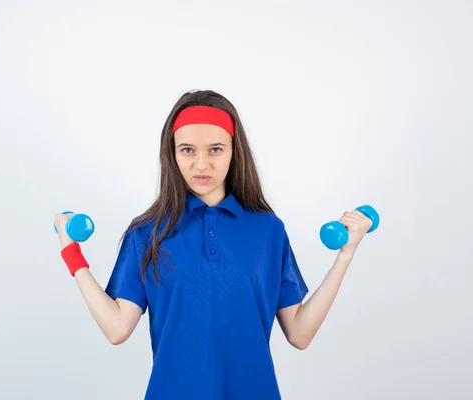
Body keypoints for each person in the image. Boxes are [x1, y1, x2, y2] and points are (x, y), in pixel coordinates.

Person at [54, 89, 373, 399]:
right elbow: (116, 328)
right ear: (172, 153)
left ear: (234, 152)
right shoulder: (147, 233)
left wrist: (346, 255)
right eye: (188, 150)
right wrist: (72, 253)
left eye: (216, 149)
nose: (201, 164)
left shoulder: (267, 230)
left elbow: (300, 333)